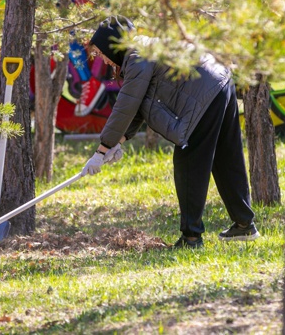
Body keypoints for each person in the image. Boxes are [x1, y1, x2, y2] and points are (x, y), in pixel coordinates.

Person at [81, 16, 259, 249]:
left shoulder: (137, 57)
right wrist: (119, 142)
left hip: (203, 94)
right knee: (226, 157)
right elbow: (138, 106)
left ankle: (191, 237)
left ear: (112, 45)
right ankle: (244, 224)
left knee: (189, 162)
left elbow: (126, 104)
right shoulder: (144, 49)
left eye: (101, 52)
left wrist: (102, 148)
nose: (102, 59)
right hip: (220, 83)